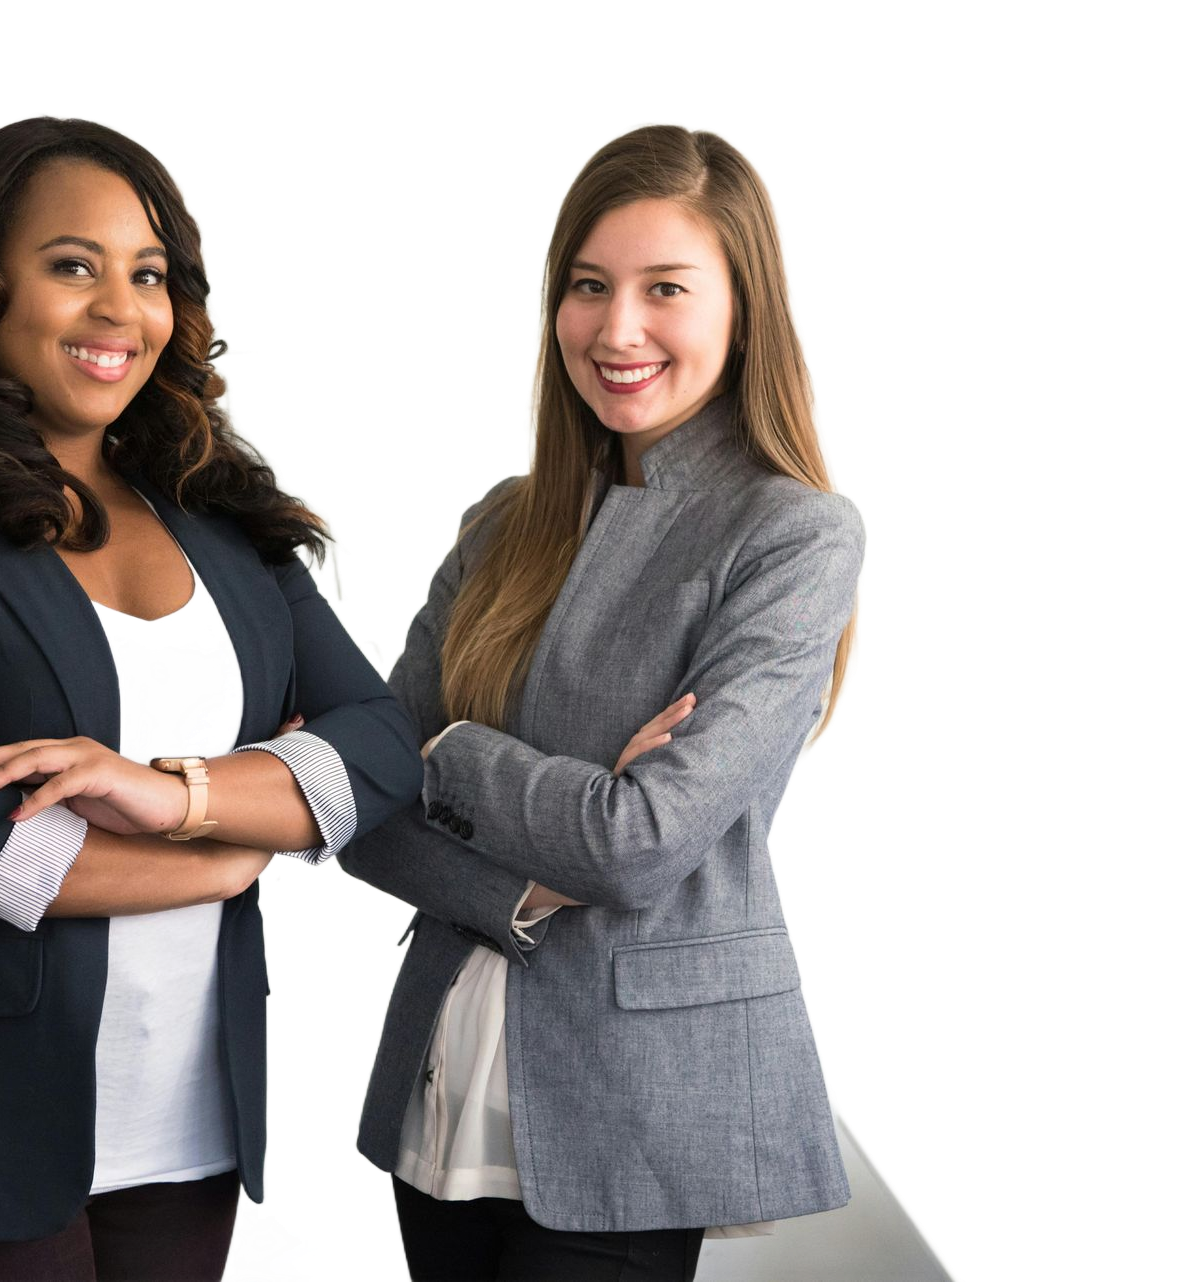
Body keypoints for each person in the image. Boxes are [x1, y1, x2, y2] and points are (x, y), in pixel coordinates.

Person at [0, 113, 421, 1282]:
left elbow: (379, 748)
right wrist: (226, 854)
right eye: (74, 265)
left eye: (149, 273)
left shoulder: (226, 522)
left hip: (187, 1130)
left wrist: (171, 797)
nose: (121, 307)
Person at [331, 120, 869, 1280]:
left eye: (664, 288)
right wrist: (518, 881)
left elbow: (638, 845)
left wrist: (453, 751)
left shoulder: (795, 531)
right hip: (447, 1074)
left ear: (744, 306)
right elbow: (361, 806)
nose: (615, 329)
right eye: (587, 286)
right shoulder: (502, 519)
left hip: (639, 1099)